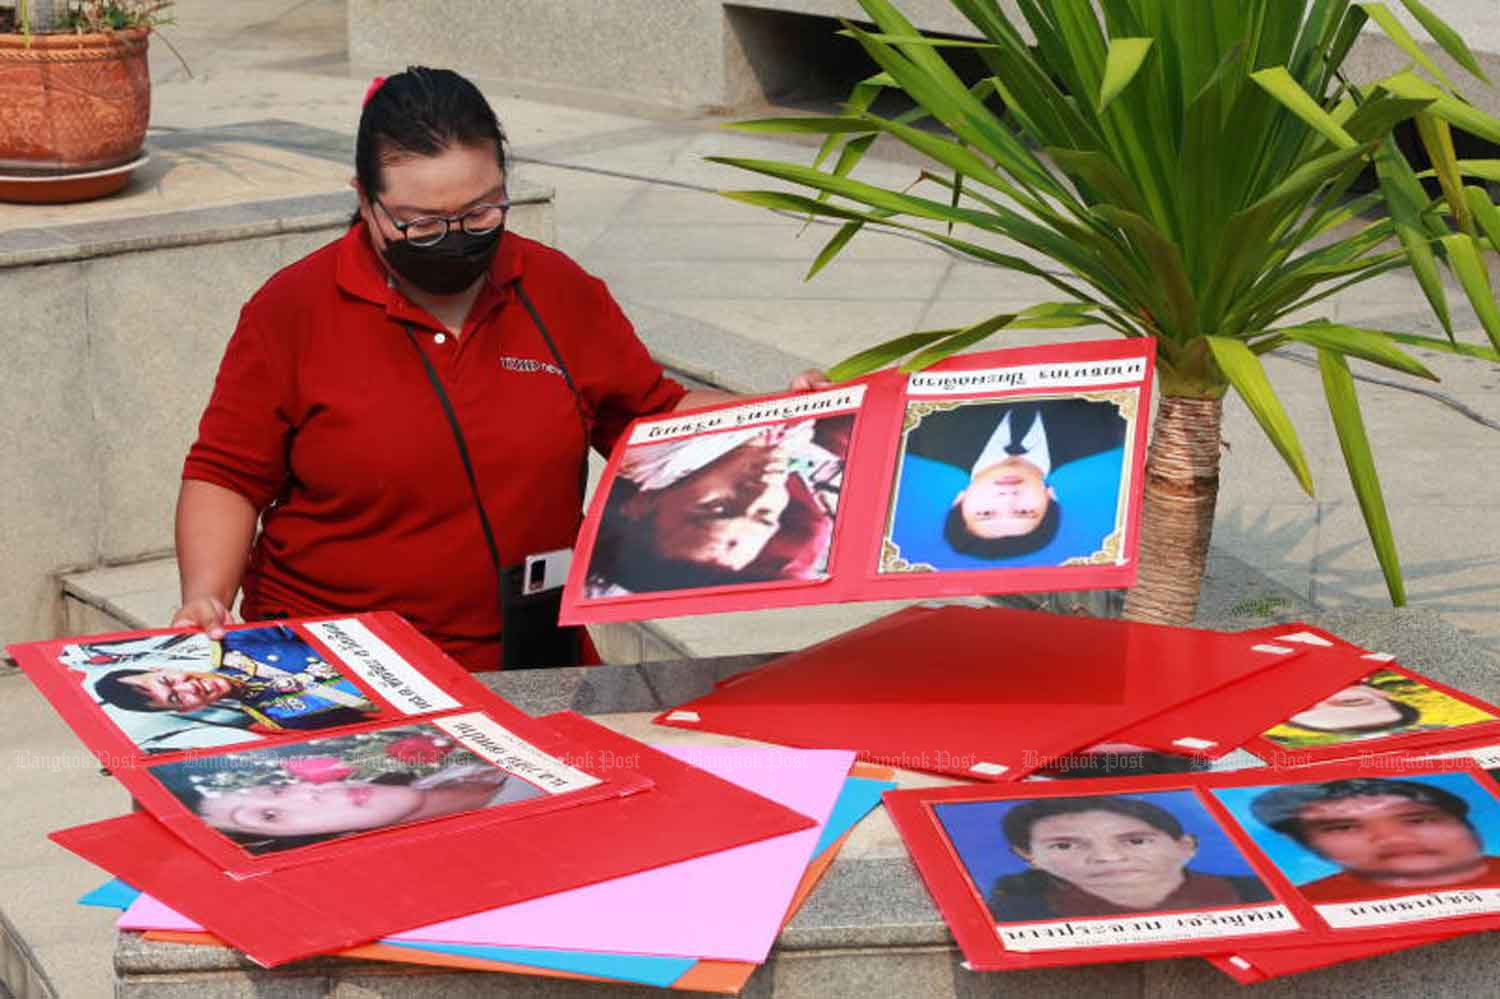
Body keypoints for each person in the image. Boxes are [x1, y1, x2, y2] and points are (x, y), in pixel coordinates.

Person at [169, 66, 826, 670]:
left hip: (531, 651)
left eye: (481, 211)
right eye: (421, 224)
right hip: (334, 659)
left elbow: (652, 418)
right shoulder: (294, 310)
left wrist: (790, 413)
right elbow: (228, 474)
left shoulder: (557, 289)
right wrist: (206, 597)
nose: (456, 237)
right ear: (363, 200)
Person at [583, 415, 850, 595]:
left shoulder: (655, 448)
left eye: (719, 508)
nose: (760, 493)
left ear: (643, 503)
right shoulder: (776, 443)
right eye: (765, 516)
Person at [904, 397, 1125, 559]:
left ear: (959, 500)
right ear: (1051, 497)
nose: (1007, 498)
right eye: (1024, 512)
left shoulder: (920, 431)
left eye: (986, 513)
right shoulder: (1111, 431)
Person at [988, 796, 1272, 922]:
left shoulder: (1259, 892)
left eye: (1136, 841)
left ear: (1186, 846)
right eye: (1064, 846)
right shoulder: (1014, 907)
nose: (1107, 858)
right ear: (1029, 856)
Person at [182, 758, 541, 854]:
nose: (308, 794)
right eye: (271, 816)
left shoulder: (453, 765)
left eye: (276, 790)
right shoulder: (510, 834)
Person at [1249, 778, 1500, 903]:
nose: (1393, 837)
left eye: (1418, 820)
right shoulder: (1304, 901)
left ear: (1466, 826)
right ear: (1307, 843)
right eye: (1344, 827)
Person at [91, 624, 377, 732]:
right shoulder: (281, 718)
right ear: (186, 710)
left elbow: (312, 626)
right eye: (176, 697)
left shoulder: (237, 641)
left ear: (161, 668)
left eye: (169, 681)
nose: (188, 686)